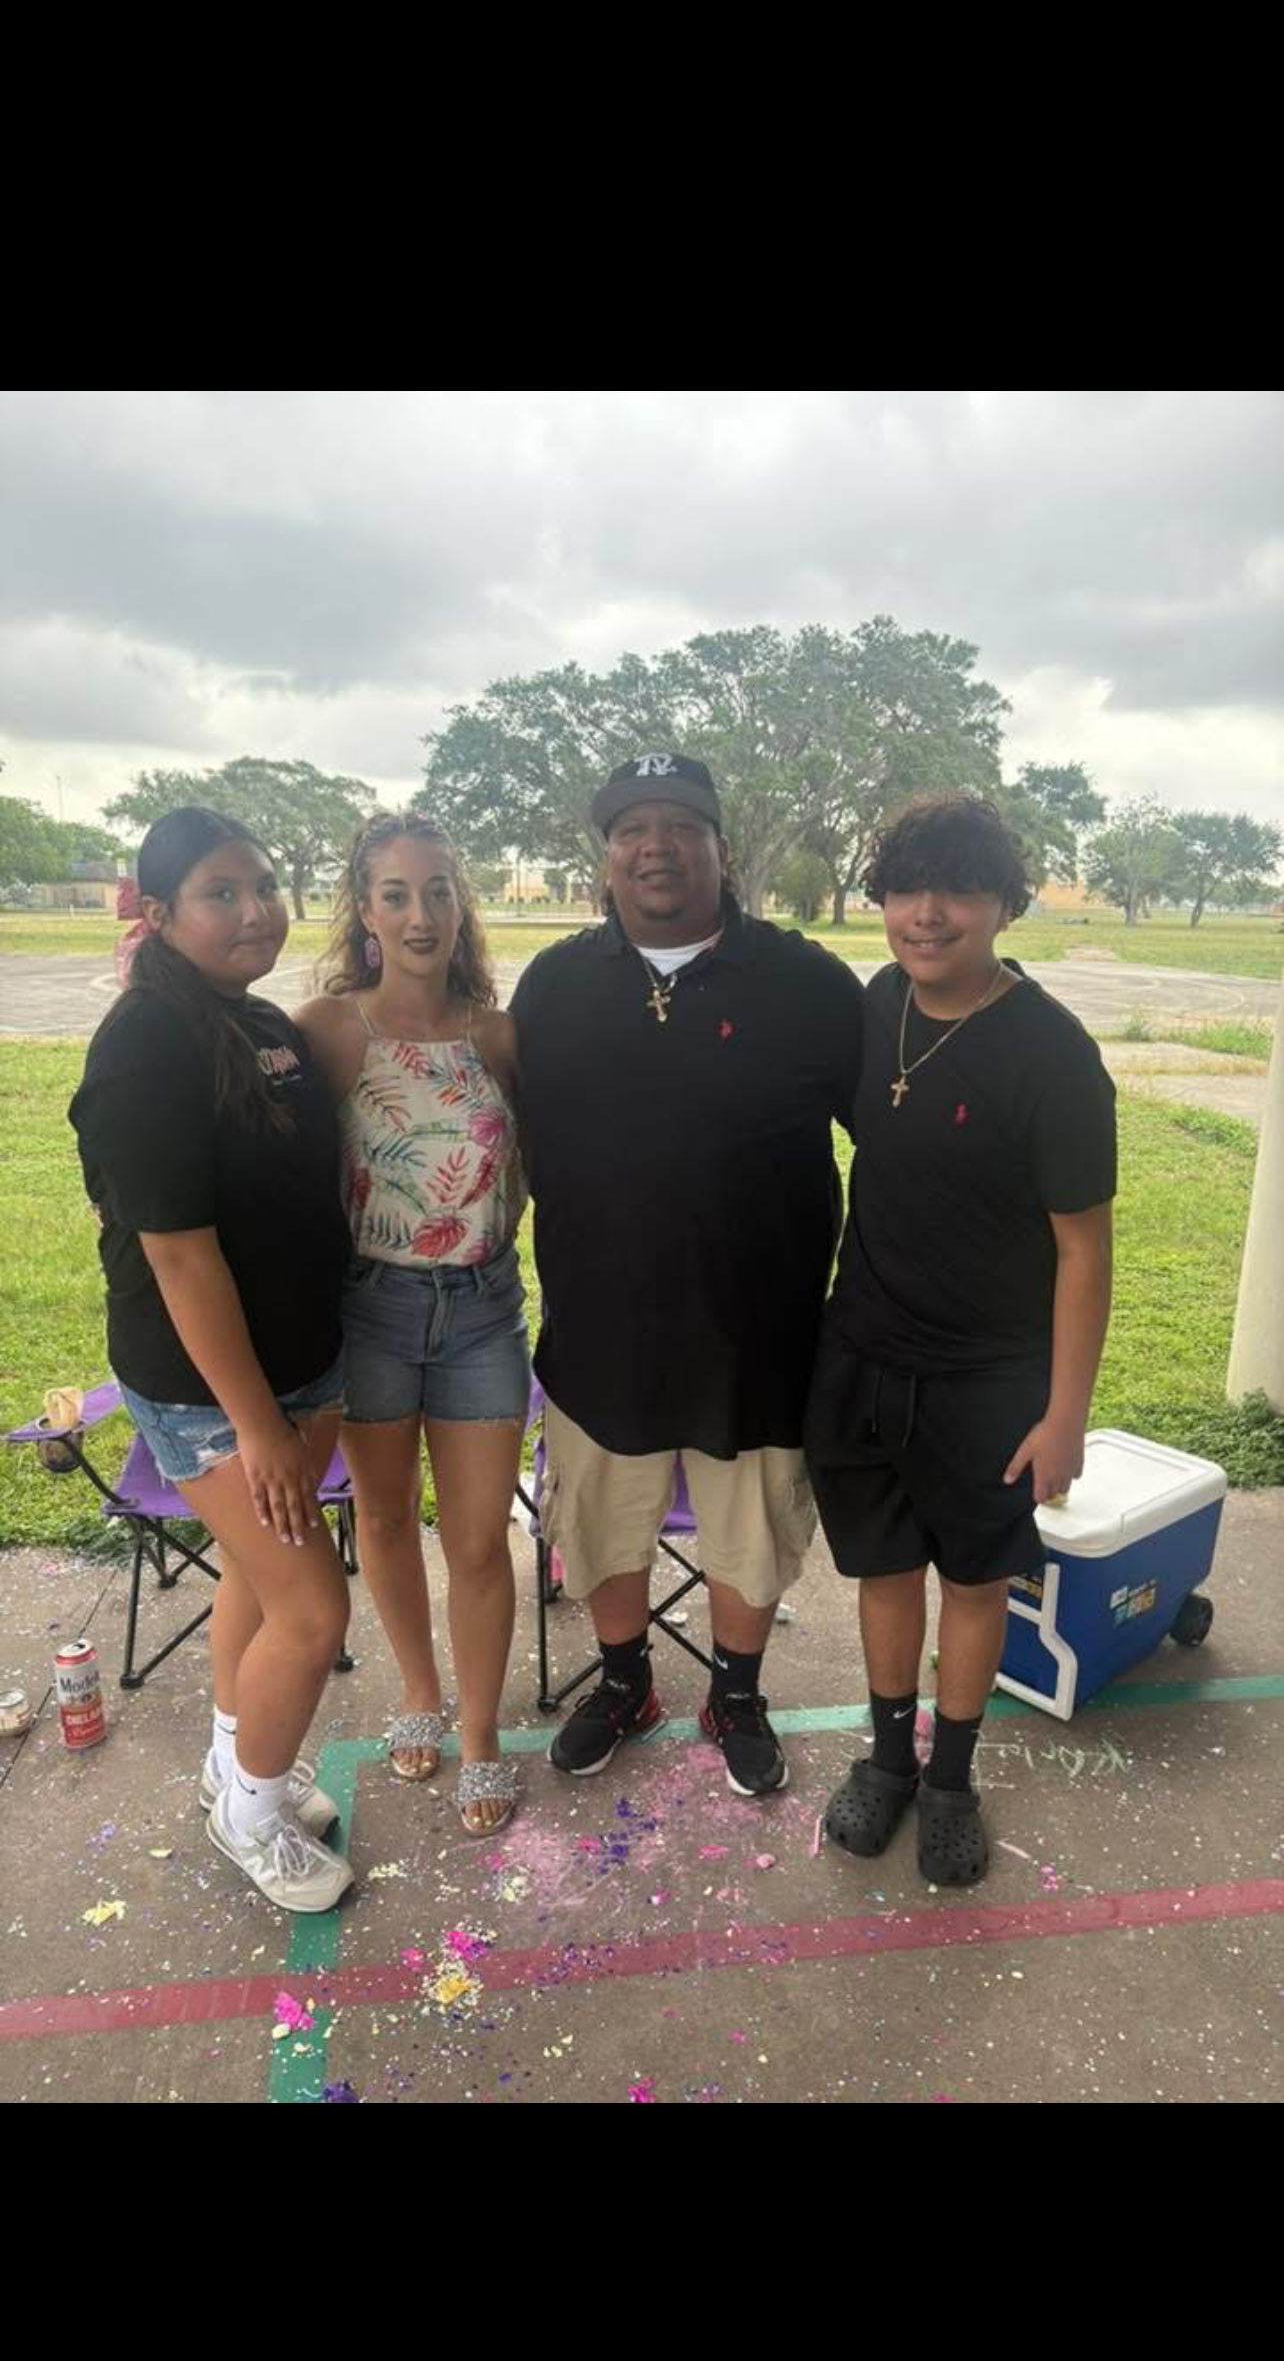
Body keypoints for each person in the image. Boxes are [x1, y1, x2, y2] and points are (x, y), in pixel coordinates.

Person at [510, 751, 865, 1798]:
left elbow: (890, 1137)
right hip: (600, 1329)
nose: (655, 846)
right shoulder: (554, 985)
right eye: (631, 828)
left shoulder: (807, 983)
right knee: (601, 1525)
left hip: (757, 1332)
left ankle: (736, 1696)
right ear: (606, 857)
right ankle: (625, 1685)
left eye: (680, 825)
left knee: (750, 1531)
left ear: (722, 848)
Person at [805, 794, 1117, 1885]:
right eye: (905, 888)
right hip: (863, 1353)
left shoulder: (1052, 1053)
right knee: (886, 1571)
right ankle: (889, 1761)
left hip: (989, 1377)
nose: (927, 913)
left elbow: (1084, 1250)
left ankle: (950, 1780)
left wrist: (1065, 1416)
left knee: (975, 1586)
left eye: (958, 891)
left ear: (1004, 905)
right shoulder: (877, 1003)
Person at [69, 807, 354, 1914]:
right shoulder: (145, 1045)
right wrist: (256, 1426)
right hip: (212, 1395)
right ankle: (251, 1816)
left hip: (299, 1365)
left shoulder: (258, 1020)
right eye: (221, 894)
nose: (254, 911)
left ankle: (237, 1770)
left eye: (264, 887)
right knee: (314, 1614)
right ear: (158, 912)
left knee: (255, 1573)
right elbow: (181, 1258)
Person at [296, 815, 528, 1837]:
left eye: (438, 892)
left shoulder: (496, 1035)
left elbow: (532, 1168)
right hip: (372, 1312)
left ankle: (479, 1736)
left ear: (459, 906)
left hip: (482, 1312)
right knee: (385, 1521)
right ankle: (419, 1694)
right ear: (366, 910)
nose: (421, 914)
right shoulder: (329, 1029)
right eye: (397, 894)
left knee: (478, 1542)